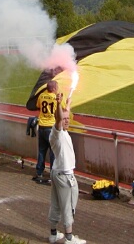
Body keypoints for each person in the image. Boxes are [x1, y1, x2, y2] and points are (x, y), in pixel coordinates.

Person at [47, 93, 86, 244]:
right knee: (68, 205)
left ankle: (53, 234)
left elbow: (63, 116)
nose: (67, 121)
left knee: (56, 204)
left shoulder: (61, 132)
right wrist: (58, 103)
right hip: (65, 176)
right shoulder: (56, 134)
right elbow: (58, 118)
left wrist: (67, 104)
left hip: (58, 173)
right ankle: (69, 238)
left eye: (68, 118)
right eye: (65, 119)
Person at [33, 80, 59, 182]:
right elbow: (60, 110)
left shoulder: (41, 96)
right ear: (53, 88)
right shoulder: (55, 98)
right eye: (56, 87)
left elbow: (38, 106)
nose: (57, 89)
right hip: (51, 127)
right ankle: (53, 173)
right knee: (52, 152)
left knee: (41, 151)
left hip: (42, 126)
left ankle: (39, 172)